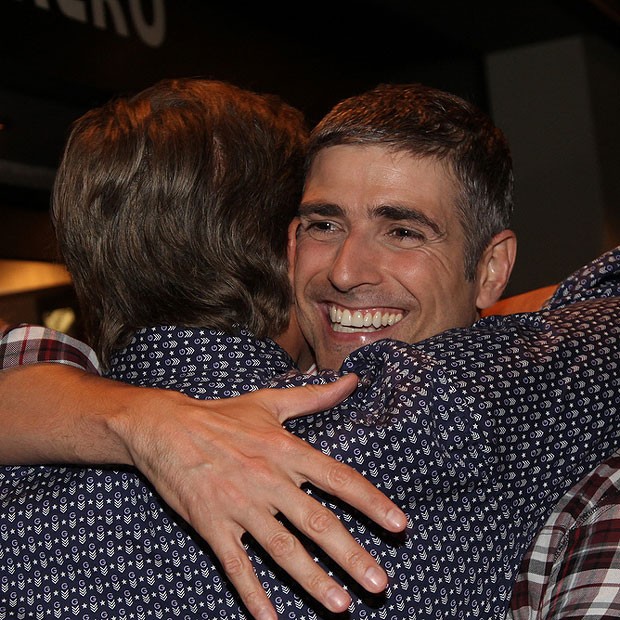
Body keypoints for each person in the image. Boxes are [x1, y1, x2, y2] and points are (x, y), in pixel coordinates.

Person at [2, 81, 620, 619]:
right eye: (323, 224)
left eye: (403, 232)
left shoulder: (24, 496)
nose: (347, 271)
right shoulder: (439, 413)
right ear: (282, 250)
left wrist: (130, 419)